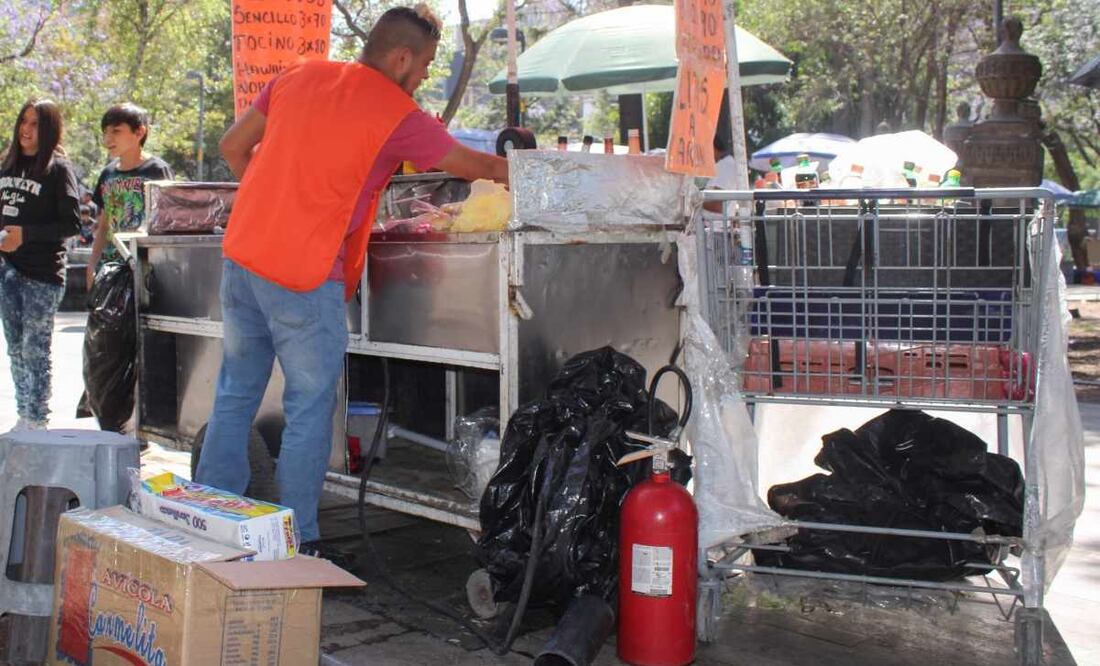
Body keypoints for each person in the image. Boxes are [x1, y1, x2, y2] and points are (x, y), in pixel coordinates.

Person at [197, 4, 508, 553]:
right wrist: (541, 168)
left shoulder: (298, 74)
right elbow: (473, 166)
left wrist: (277, 198)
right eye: (428, 64)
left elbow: (231, 147)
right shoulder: (396, 111)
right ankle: (295, 542)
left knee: (235, 394)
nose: (426, 76)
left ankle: (212, 520)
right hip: (304, 272)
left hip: (243, 258)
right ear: (402, 57)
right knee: (310, 407)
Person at [0, 99, 81, 431]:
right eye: (23, 121)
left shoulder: (58, 169)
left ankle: (37, 418)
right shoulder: (7, 165)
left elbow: (73, 224)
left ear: (48, 130)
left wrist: (27, 235)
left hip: (42, 273)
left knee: (36, 348)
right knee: (15, 346)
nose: (26, 129)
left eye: (34, 124)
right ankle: (23, 414)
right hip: (7, 269)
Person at [87, 103, 172, 286]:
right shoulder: (107, 174)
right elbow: (103, 225)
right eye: (105, 132)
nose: (108, 138)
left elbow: (167, 222)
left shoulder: (156, 170)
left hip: (146, 268)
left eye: (116, 131)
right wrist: (92, 265)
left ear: (139, 132)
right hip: (110, 269)